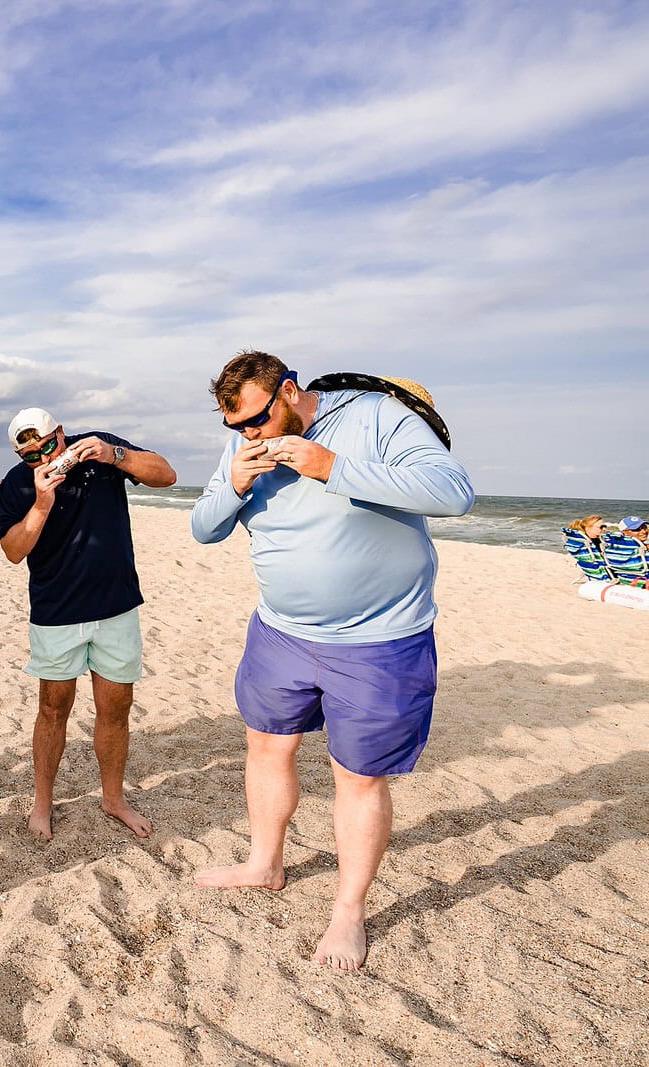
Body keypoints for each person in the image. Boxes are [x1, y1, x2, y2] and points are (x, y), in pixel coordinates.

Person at [190, 352, 474, 973]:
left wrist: (332, 467)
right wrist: (234, 482)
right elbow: (204, 529)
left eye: (258, 421)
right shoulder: (245, 446)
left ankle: (348, 911)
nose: (249, 436)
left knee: (359, 776)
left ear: (290, 392)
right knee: (265, 747)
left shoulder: (375, 417)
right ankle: (265, 863)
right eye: (234, 428)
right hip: (280, 633)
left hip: (379, 640)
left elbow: (454, 495)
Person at [0, 407, 177, 842]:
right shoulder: (19, 482)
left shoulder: (98, 449)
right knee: (53, 709)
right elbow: (13, 550)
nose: (41, 457)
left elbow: (166, 475)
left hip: (116, 606)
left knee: (116, 709)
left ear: (62, 432)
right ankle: (42, 804)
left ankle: (113, 799)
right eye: (30, 454)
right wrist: (41, 502)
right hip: (56, 612)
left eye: (47, 446)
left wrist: (115, 455)